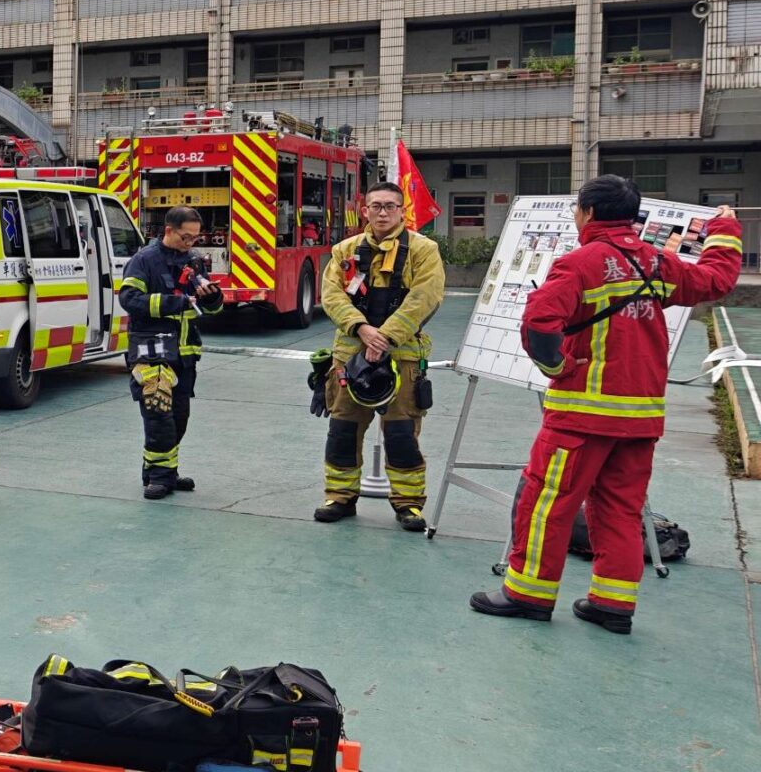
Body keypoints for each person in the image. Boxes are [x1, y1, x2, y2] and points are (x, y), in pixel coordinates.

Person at [472, 180, 742, 633]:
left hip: (581, 416)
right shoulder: (658, 263)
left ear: (589, 212)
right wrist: (724, 231)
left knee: (547, 503)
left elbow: (539, 324)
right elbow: (716, 280)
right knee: (620, 508)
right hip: (641, 419)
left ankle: (527, 594)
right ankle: (613, 604)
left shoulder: (579, 264)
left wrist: (558, 366)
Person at [314, 182, 445, 531]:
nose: (382, 212)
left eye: (390, 206)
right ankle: (339, 497)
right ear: (365, 210)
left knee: (401, 433)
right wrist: (361, 328)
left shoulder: (423, 250)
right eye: (376, 206)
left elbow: (425, 297)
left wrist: (385, 336)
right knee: (343, 429)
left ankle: (408, 505)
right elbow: (332, 296)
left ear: (402, 211)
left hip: (402, 357)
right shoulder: (345, 250)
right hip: (350, 357)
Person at [118, 206, 224, 500]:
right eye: (185, 237)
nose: (191, 243)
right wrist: (173, 303)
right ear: (168, 230)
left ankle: (165, 471)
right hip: (152, 352)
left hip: (184, 354)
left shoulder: (193, 261)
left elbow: (208, 308)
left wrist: (213, 297)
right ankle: (159, 477)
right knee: (158, 414)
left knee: (179, 416)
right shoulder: (143, 261)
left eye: (195, 238)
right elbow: (129, 299)